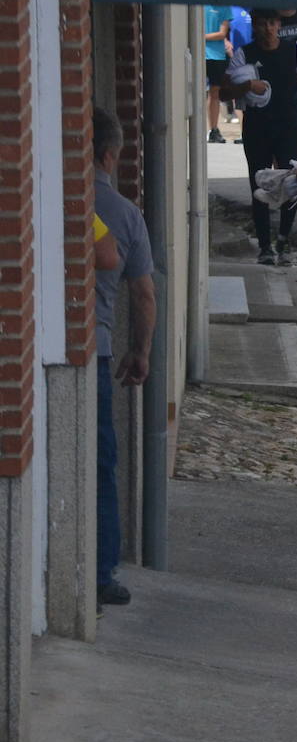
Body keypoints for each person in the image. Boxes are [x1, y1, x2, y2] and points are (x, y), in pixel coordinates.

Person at [91, 107, 156, 611]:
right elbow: (144, 295)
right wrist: (141, 352)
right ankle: (102, 570)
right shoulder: (125, 213)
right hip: (98, 346)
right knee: (103, 462)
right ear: (112, 154)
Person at [224, 9, 297, 266]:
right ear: (255, 26)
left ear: (279, 25)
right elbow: (224, 91)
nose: (268, 28)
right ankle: (265, 246)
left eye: (272, 22)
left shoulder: (294, 50)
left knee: (291, 183)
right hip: (257, 127)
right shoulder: (245, 54)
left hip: (289, 126)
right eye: (262, 23)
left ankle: (284, 239)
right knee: (259, 185)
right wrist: (246, 87)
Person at [204, 2, 233, 143]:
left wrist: (201, 36)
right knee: (197, 94)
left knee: (214, 92)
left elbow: (222, 33)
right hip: (200, 54)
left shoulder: (224, 7)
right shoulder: (198, 5)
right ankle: (202, 128)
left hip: (217, 55)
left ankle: (214, 129)